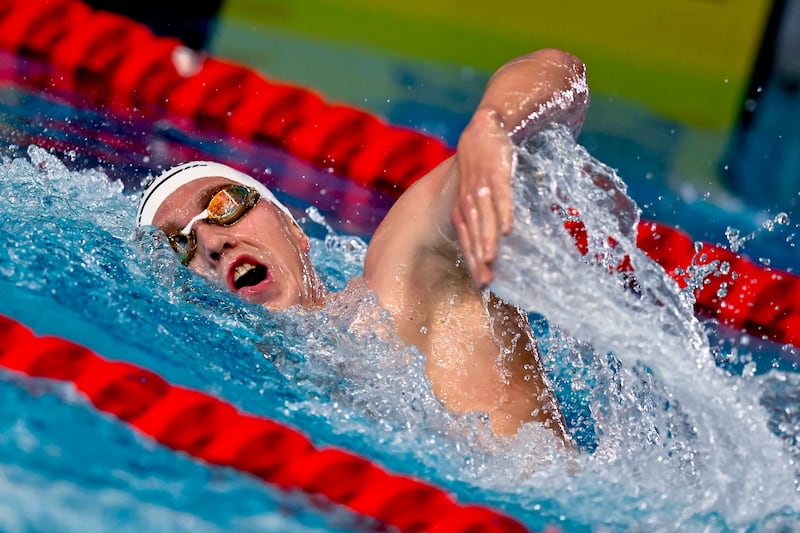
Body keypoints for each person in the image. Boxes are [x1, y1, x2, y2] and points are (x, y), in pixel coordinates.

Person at [137, 48, 589, 441]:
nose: (213, 240)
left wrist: (493, 127)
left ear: (295, 230)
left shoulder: (400, 280)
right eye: (181, 244)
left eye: (224, 203)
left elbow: (557, 68)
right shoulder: (257, 403)